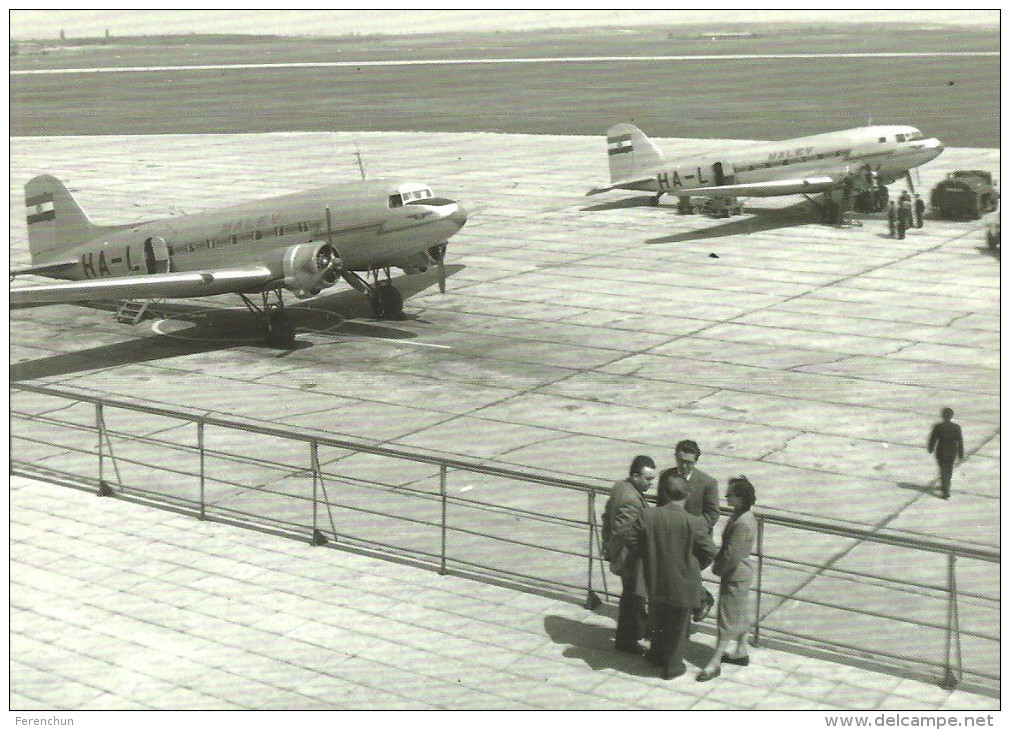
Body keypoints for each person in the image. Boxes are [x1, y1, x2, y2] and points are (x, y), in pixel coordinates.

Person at [636, 477, 717, 679]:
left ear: (664, 493)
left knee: (658, 618)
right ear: (687, 496)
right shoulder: (694, 522)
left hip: (655, 578)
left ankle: (656, 655)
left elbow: (633, 541)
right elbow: (710, 551)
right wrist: (695, 567)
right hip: (683, 582)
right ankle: (672, 667)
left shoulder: (648, 516)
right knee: (678, 626)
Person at [697, 476, 758, 682]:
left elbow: (733, 555)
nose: (726, 497)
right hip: (740, 574)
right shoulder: (742, 516)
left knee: (726, 618)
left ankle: (714, 663)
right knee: (737, 612)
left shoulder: (743, 523)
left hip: (735, 575)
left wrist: (718, 569)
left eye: (730, 494)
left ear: (741, 498)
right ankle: (741, 650)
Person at [601, 455, 655, 653]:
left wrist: (606, 542)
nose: (651, 483)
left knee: (632, 598)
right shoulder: (632, 500)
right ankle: (627, 641)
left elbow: (607, 516)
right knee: (632, 599)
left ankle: (640, 630)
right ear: (634, 476)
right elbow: (625, 532)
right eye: (648, 479)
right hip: (630, 558)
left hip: (621, 554)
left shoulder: (620, 487)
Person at [928, 408, 964, 500]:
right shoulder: (956, 427)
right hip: (952, 452)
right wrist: (961, 453)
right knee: (949, 469)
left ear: (942, 416)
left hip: (941, 451)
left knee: (943, 470)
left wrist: (930, 448)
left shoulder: (938, 426)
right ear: (952, 416)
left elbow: (933, 439)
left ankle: (946, 490)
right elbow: (960, 441)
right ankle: (946, 486)